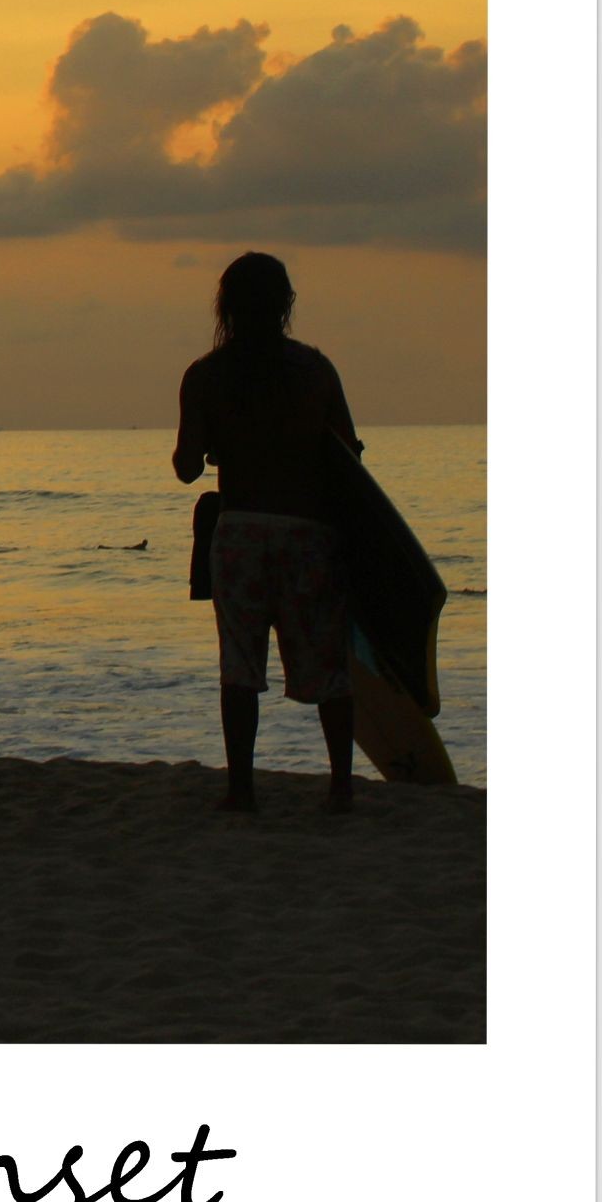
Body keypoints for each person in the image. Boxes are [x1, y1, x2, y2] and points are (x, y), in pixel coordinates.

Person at [173, 251, 362, 814]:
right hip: (307, 533)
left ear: (225, 307)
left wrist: (213, 443)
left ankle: (242, 791)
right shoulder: (315, 370)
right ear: (285, 305)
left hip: (240, 533)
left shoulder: (205, 375)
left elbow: (187, 467)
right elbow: (348, 456)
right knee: (328, 665)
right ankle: (341, 788)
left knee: (240, 665)